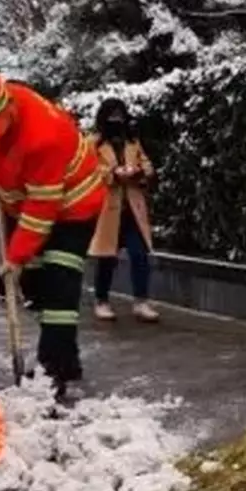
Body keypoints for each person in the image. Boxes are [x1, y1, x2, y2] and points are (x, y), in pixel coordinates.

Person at [0, 70, 107, 399]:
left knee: (59, 283)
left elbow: (42, 209)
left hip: (74, 206)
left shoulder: (44, 136)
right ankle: (66, 357)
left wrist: (15, 257)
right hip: (25, 206)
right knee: (32, 285)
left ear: (9, 106)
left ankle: (52, 372)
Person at [87, 98, 160, 323]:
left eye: (120, 115)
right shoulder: (93, 143)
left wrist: (140, 173)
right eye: (112, 115)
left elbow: (146, 164)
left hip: (132, 208)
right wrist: (112, 174)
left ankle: (141, 301)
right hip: (108, 209)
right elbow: (88, 170)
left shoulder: (132, 142)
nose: (116, 120)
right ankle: (101, 300)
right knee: (107, 257)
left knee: (139, 255)